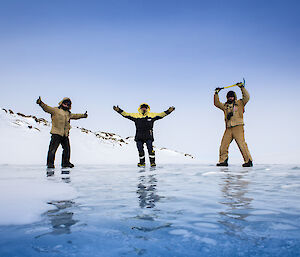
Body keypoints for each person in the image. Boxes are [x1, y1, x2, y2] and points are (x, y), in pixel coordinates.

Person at [36, 96, 88, 168]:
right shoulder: (55, 110)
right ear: (62, 103)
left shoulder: (68, 113)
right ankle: (50, 164)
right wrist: (40, 103)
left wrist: (84, 115)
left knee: (67, 149)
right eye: (65, 103)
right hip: (56, 133)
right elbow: (46, 108)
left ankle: (65, 163)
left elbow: (76, 116)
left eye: (68, 104)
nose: (66, 105)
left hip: (65, 134)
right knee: (52, 150)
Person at [214, 83, 253, 167]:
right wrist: (216, 93)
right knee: (223, 145)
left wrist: (242, 87)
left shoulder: (240, 103)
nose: (230, 98)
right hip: (228, 128)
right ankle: (223, 161)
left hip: (238, 127)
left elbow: (247, 97)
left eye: (231, 96)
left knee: (241, 144)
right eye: (229, 97)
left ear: (234, 97)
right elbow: (217, 103)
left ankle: (248, 161)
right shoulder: (225, 106)